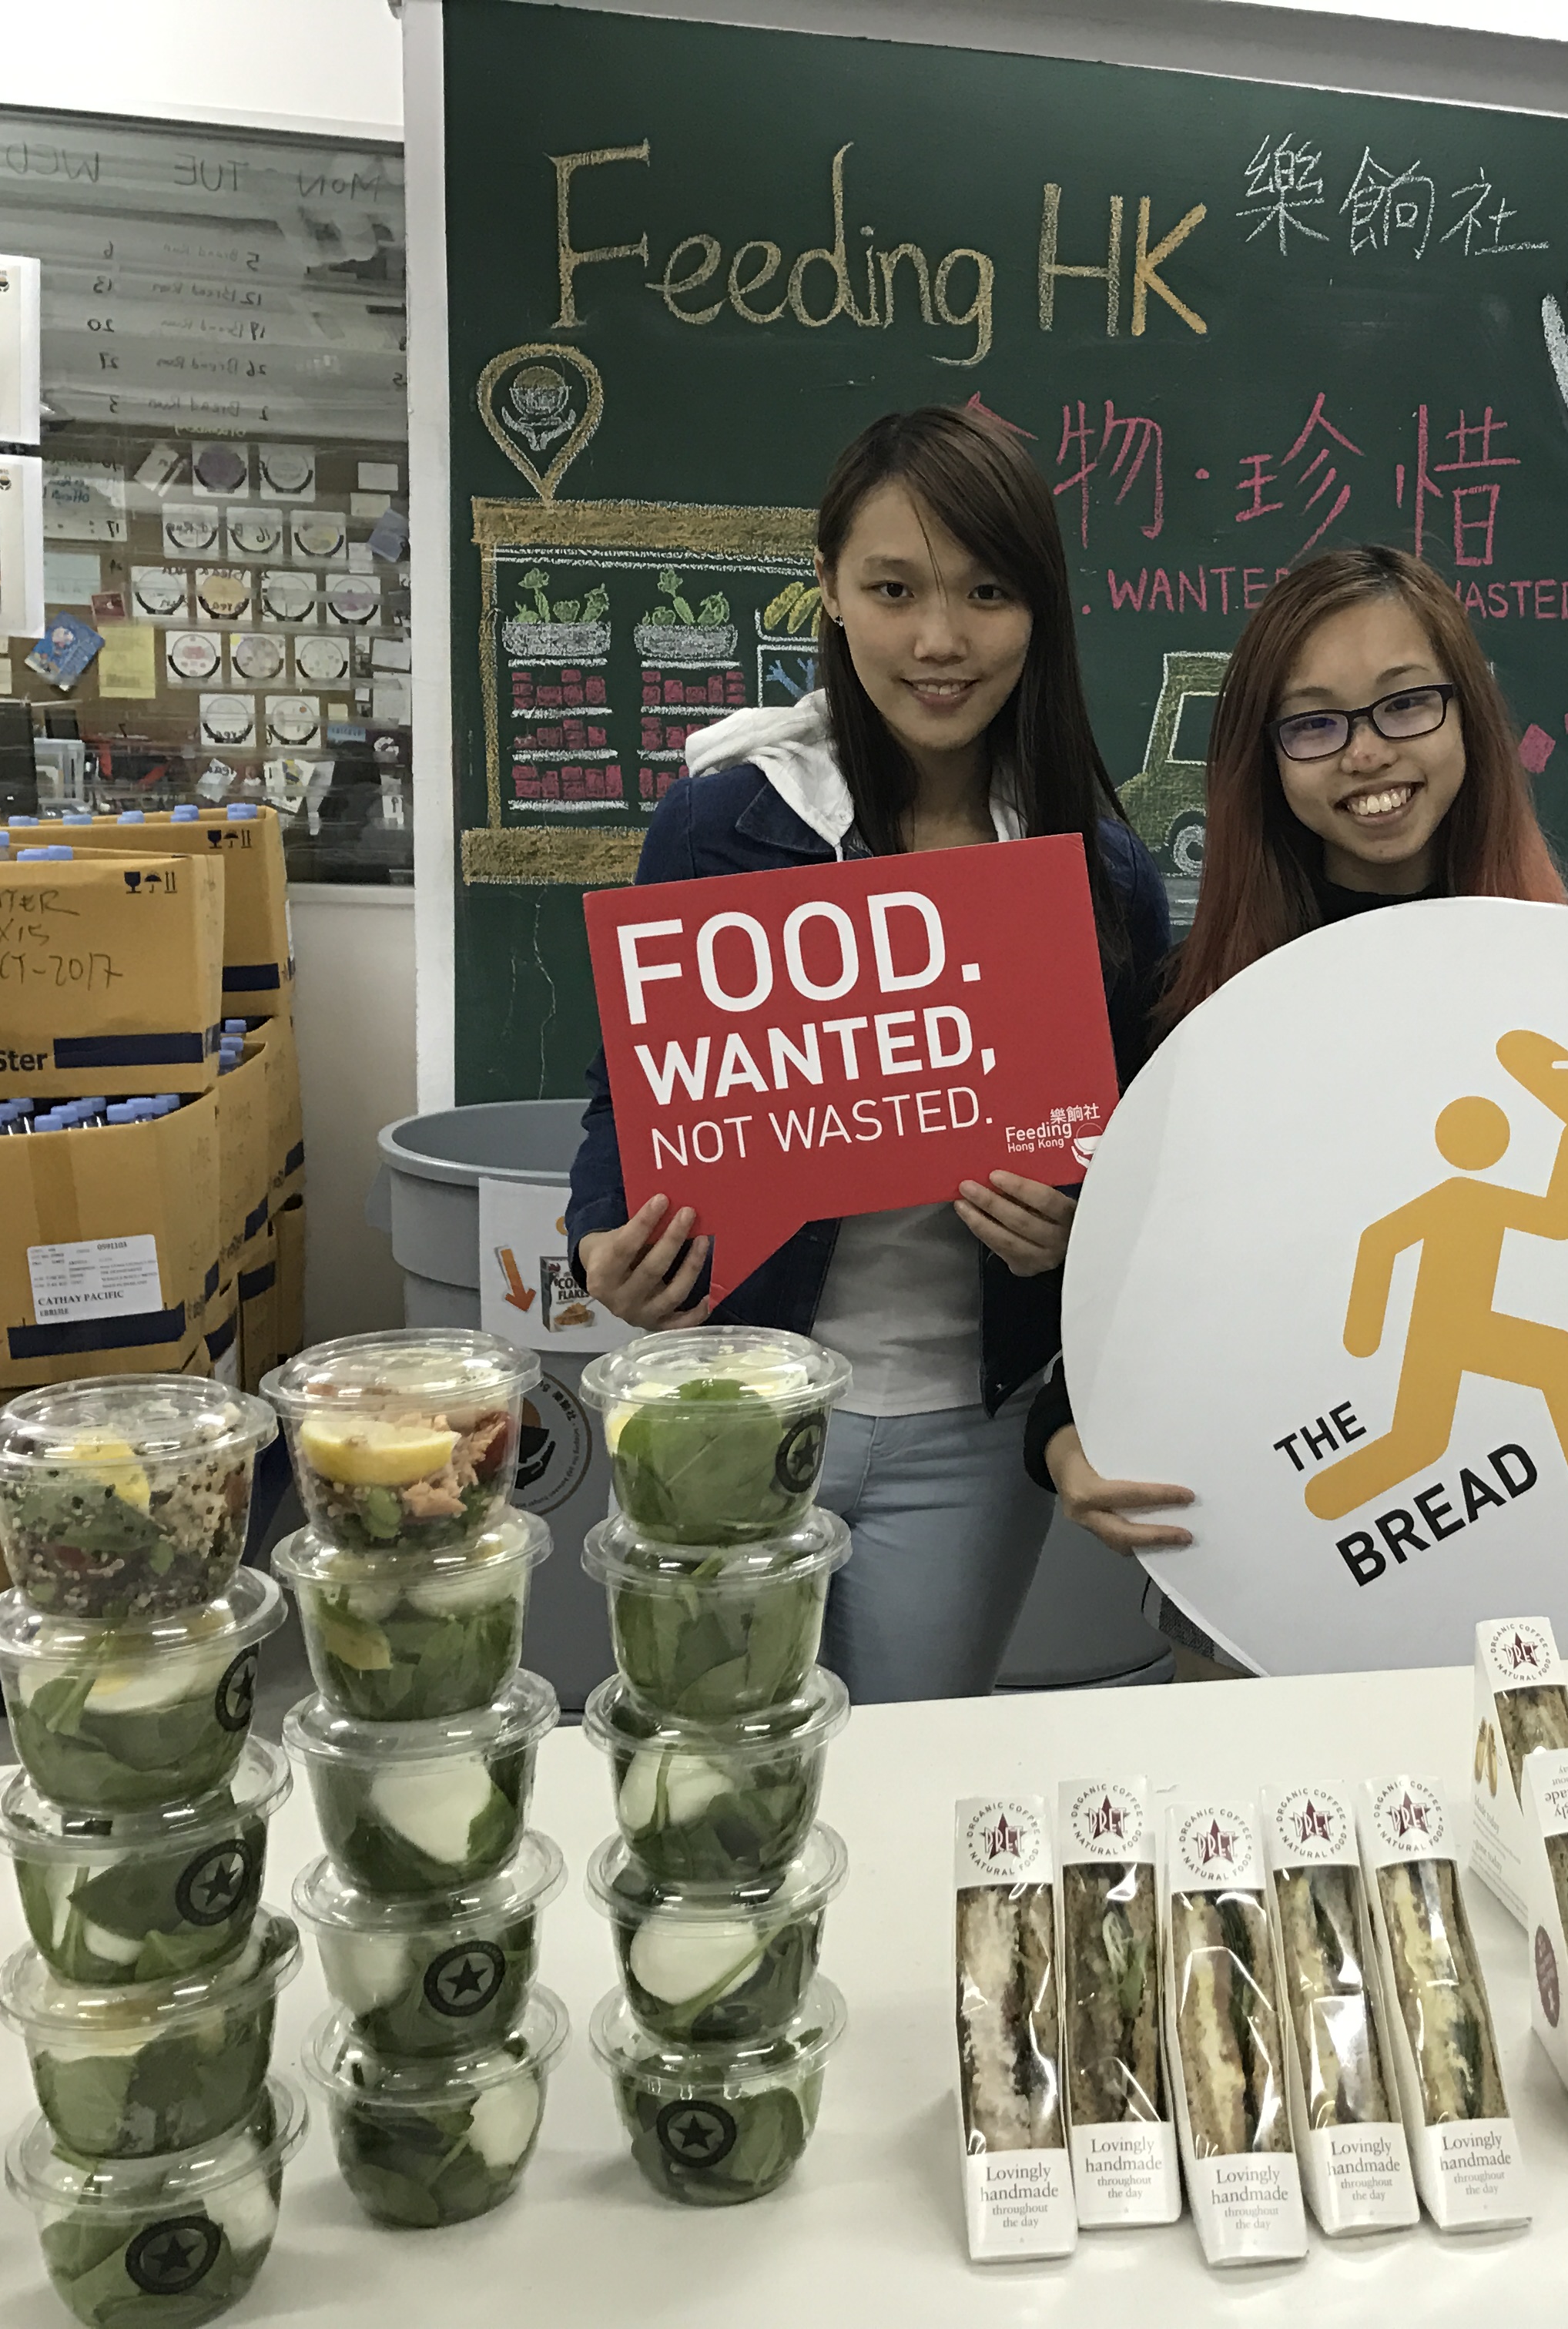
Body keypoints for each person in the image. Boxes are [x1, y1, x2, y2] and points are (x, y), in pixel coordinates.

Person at [1030, 541, 1568, 1583]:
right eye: (1314, 723)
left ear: (1467, 718)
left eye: (1407, 704)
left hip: (1561, 1590)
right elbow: (1138, 1277)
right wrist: (1062, 1432)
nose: (1367, 753)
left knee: (1519, 1385)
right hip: (1272, 1583)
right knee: (1429, 1427)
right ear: (1263, 757)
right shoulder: (1196, 1019)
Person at [562, 405, 1172, 1703]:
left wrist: (1077, 1228)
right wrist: (602, 1238)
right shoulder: (721, 825)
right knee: (711, 1759)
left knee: (904, 1771)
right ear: (830, 590)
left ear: (1039, 611)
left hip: (969, 1430)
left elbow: (1129, 1165)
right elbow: (630, 1094)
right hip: (732, 1400)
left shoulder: (1102, 877)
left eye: (988, 593)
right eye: (895, 590)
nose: (940, 641)